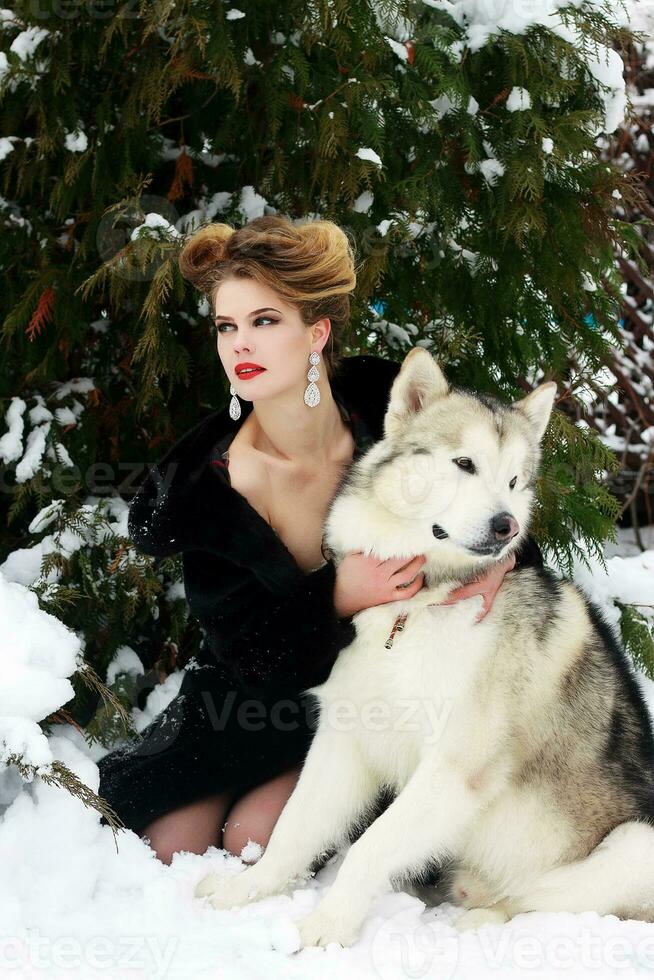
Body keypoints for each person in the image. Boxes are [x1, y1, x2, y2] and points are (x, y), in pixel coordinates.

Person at [97, 215, 543, 865]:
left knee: (251, 839)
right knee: (172, 844)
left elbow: (491, 492)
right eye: (227, 326)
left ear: (317, 331)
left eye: (264, 321)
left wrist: (505, 563)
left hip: (371, 702)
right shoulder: (211, 489)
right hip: (253, 699)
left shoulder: (383, 407)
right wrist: (334, 595)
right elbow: (247, 650)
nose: (239, 344)